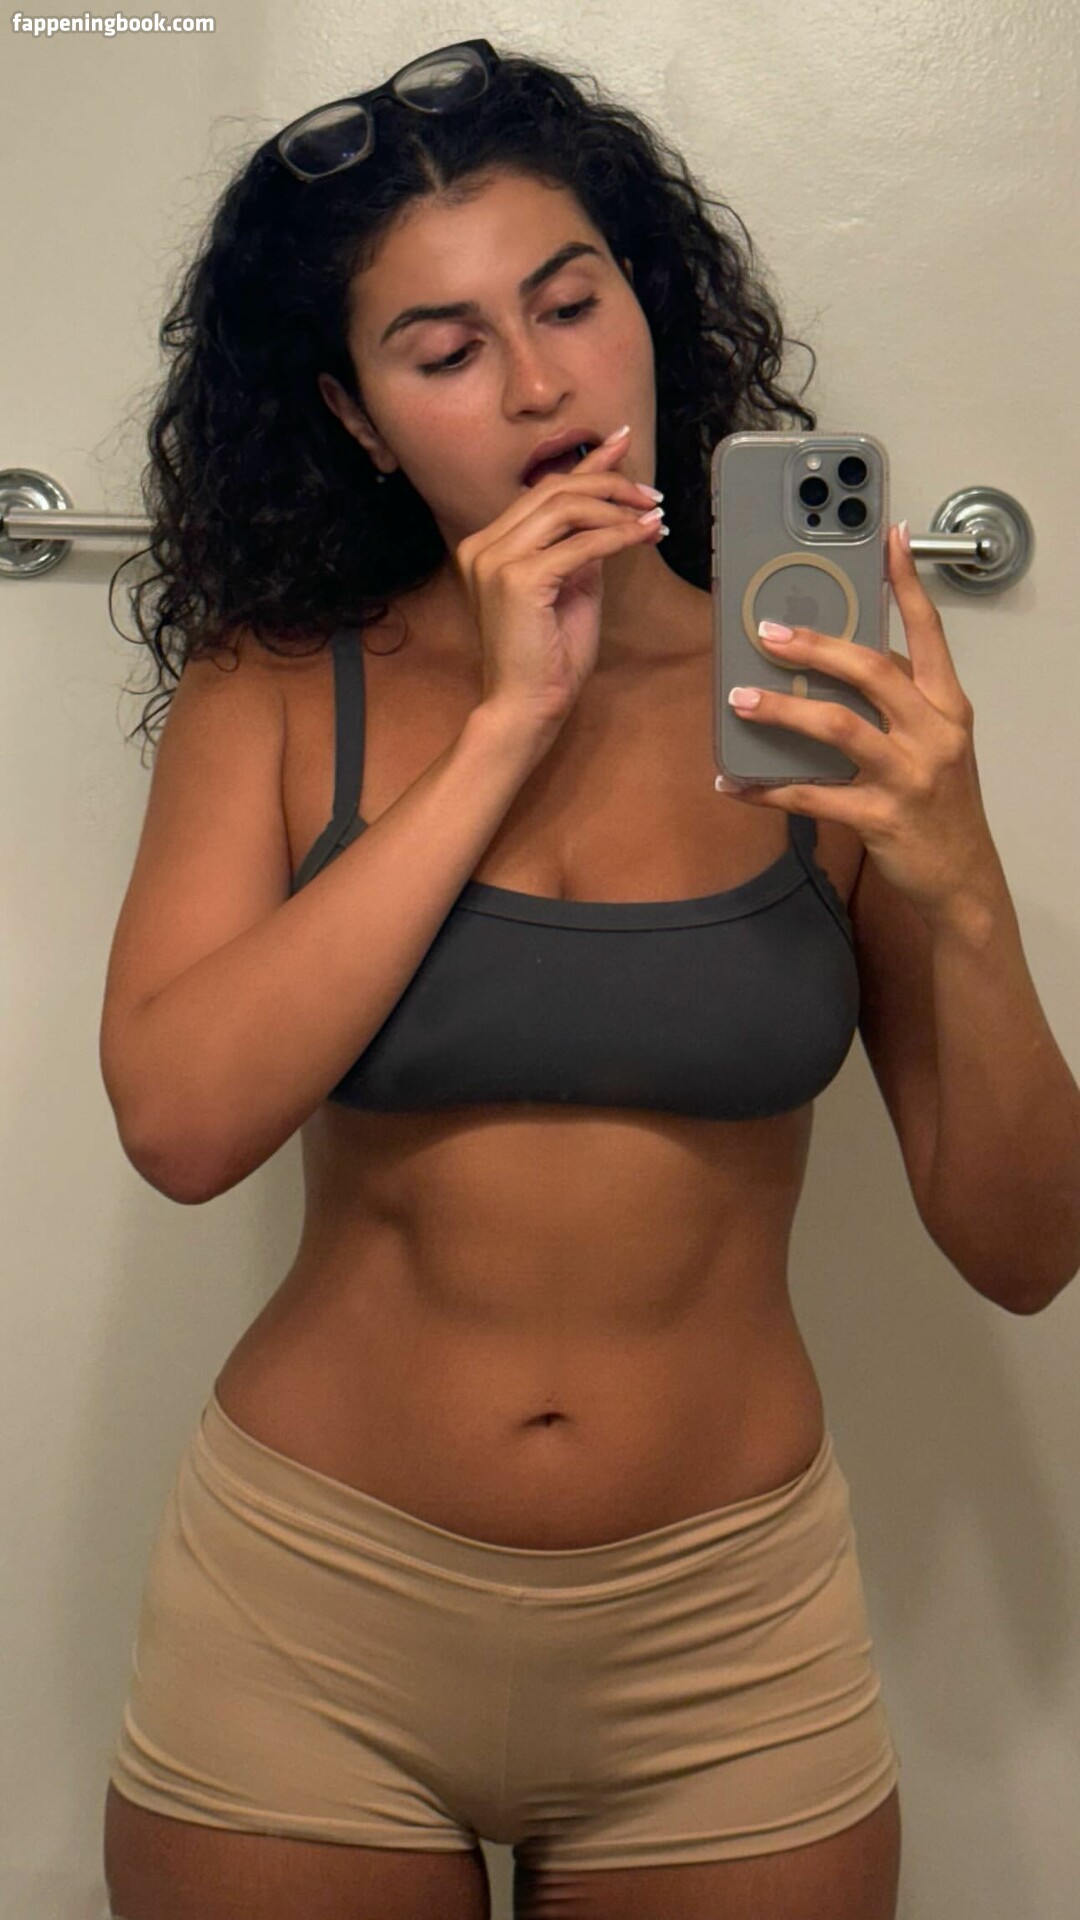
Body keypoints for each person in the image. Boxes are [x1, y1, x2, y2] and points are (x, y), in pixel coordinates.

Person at [98, 39, 922, 1920]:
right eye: (445, 349)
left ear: (650, 307)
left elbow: (1029, 1248)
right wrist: (504, 726)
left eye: (570, 302)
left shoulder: (820, 695)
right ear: (357, 416)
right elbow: (180, 1126)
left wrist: (948, 877)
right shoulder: (274, 684)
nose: (541, 383)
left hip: (731, 1642)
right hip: (305, 1615)